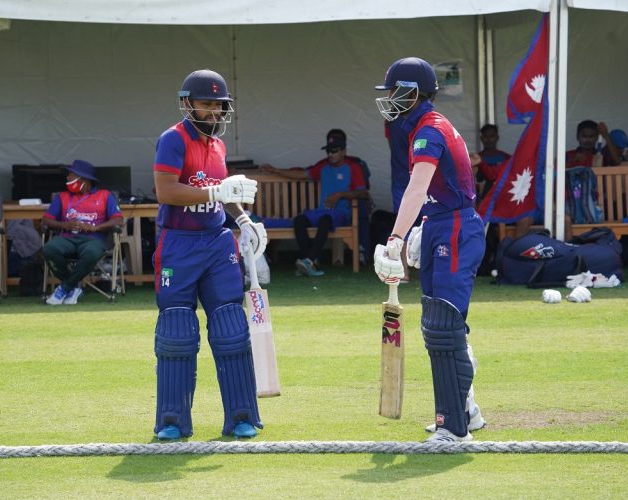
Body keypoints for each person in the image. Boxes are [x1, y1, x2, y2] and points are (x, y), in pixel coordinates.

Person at [373, 57, 486, 443]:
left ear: (412, 92)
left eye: (394, 91)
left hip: (455, 228)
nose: (389, 98)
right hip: (443, 223)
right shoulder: (423, 126)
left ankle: (453, 427)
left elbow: (417, 188)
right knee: (442, 325)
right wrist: (424, 226)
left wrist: (396, 238)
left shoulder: (429, 130)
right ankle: (466, 412)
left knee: (444, 326)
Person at [151, 69, 267, 440]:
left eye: (220, 105)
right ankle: (172, 420)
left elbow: (224, 192)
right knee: (177, 331)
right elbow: (166, 191)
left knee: (231, 327)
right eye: (207, 104)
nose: (215, 112)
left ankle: (242, 416)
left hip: (217, 242)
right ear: (187, 104)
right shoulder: (172, 139)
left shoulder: (218, 145)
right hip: (179, 243)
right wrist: (216, 193)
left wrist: (244, 220)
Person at [259, 129, 369, 276]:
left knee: (325, 220)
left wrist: (340, 194)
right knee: (300, 220)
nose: (330, 154)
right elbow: (301, 174)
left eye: (334, 151)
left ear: (343, 151)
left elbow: (363, 193)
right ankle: (309, 261)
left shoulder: (353, 167)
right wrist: (275, 170)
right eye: (328, 151)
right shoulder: (323, 166)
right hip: (322, 210)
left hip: (342, 213)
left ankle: (309, 261)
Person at [41, 160, 124, 305]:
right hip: (68, 237)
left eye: (71, 175)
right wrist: (64, 224)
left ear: (84, 178)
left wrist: (96, 228)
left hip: (94, 238)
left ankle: (65, 288)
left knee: (91, 253)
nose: (67, 178)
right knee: (49, 249)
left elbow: (118, 220)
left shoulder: (104, 195)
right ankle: (72, 288)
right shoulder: (62, 196)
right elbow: (46, 220)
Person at [473, 123, 512, 204]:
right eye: (485, 136)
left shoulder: (507, 158)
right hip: (482, 201)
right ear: (481, 138)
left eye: (492, 136)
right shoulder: (474, 160)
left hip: (503, 200)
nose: (489, 140)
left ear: (497, 137)